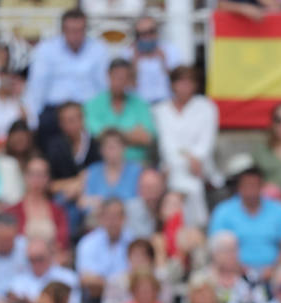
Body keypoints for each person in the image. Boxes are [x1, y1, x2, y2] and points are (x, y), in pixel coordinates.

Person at [155, 65, 222, 228]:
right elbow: (166, 145)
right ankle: (196, 226)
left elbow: (206, 143)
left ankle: (184, 229)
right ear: (172, 84)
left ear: (196, 85)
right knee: (185, 179)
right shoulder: (159, 110)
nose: (184, 86)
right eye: (180, 81)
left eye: (189, 82)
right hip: (170, 167)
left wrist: (195, 158)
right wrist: (187, 159)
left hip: (200, 166)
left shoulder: (207, 107)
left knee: (192, 179)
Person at [25, 8, 110, 136]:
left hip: (88, 109)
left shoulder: (99, 49)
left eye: (79, 31)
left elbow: (104, 86)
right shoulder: (46, 49)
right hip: (54, 110)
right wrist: (32, 120)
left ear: (86, 30)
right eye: (71, 31)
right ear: (62, 31)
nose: (75, 35)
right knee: (44, 128)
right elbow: (37, 87)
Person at [208, 164, 281, 278]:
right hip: (233, 274)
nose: (251, 190)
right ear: (239, 187)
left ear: (262, 186)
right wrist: (238, 269)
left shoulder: (279, 210)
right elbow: (216, 248)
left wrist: (274, 270)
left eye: (254, 185)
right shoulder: (223, 211)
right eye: (247, 185)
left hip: (274, 273)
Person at [84, 57, 156, 163]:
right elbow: (96, 136)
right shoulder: (92, 104)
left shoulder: (140, 104)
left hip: (137, 163)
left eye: (124, 78)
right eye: (116, 77)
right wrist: (132, 135)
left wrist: (111, 134)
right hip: (104, 164)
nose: (120, 82)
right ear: (108, 75)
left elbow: (147, 138)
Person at [9, 156, 70, 249]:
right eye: (32, 174)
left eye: (41, 175)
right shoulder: (12, 211)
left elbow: (62, 243)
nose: (36, 179)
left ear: (48, 179)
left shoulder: (58, 211)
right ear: (25, 177)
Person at [81, 128, 141, 219]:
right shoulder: (93, 171)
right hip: (99, 221)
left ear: (124, 148)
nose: (112, 150)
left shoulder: (136, 171)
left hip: (130, 221)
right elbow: (83, 203)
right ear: (101, 150)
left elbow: (141, 202)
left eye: (115, 146)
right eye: (108, 146)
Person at [124, 15, 183, 107]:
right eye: (142, 34)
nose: (147, 36)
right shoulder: (127, 53)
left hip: (166, 104)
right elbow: (126, 86)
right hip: (139, 106)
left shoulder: (171, 50)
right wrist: (134, 64)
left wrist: (164, 61)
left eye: (151, 31)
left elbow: (179, 83)